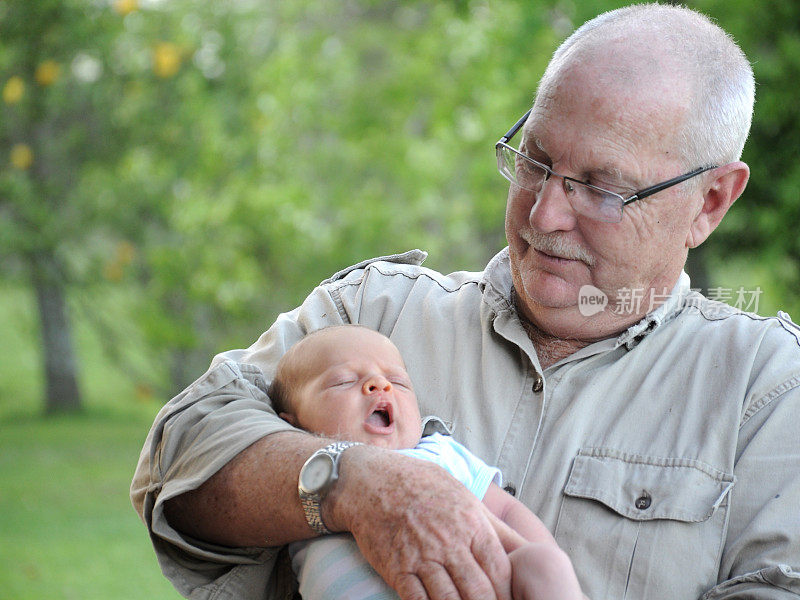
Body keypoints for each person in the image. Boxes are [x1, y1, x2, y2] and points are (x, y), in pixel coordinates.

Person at [131, 4, 800, 600]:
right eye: (535, 160)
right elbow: (181, 455)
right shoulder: (372, 314)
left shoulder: (767, 391)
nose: (545, 211)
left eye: (601, 187)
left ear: (710, 202)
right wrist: (355, 486)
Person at [269, 324, 583, 600]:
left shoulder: (439, 453)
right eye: (342, 381)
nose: (379, 385)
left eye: (398, 381)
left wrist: (540, 554)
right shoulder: (303, 480)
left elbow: (505, 509)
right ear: (292, 425)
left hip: (476, 587)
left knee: (546, 566)